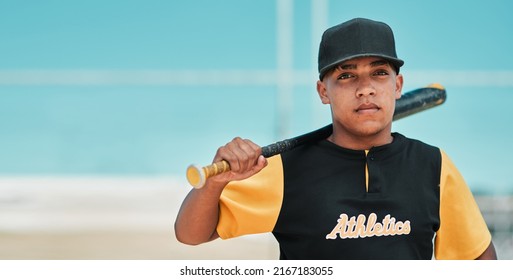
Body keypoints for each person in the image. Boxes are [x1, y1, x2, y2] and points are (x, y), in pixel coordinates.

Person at [174, 18, 497, 260]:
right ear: (323, 91)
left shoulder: (432, 164)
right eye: (346, 75)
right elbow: (190, 235)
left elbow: (477, 259)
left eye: (379, 73)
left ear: (397, 86)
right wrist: (215, 184)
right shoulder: (284, 169)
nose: (365, 87)